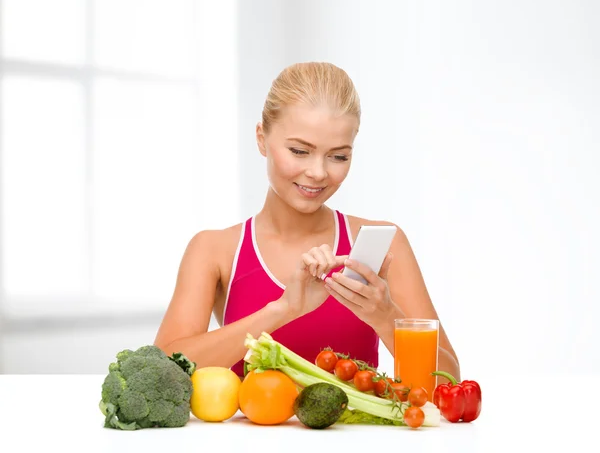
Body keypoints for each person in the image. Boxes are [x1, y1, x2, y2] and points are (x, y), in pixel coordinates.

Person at [154, 62, 460, 381]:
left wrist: (386, 317)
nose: (318, 172)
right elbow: (162, 371)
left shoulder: (386, 242)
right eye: (300, 151)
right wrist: (283, 309)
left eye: (338, 156)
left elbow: (448, 380)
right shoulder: (214, 249)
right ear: (261, 138)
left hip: (361, 433)